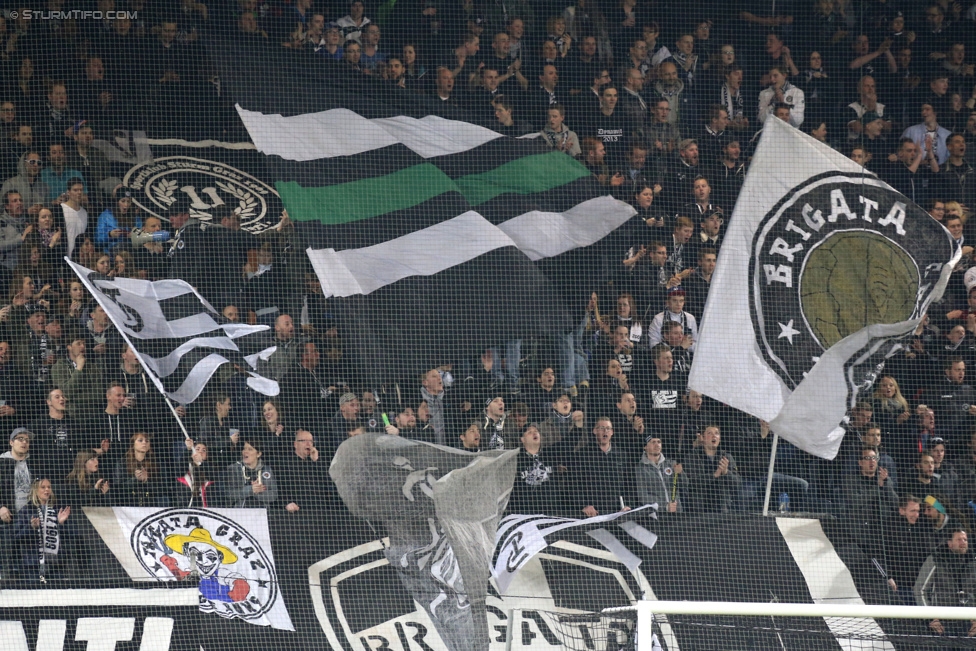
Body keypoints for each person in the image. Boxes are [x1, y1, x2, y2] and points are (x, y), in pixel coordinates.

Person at [914, 529, 976, 637]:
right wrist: (931, 617)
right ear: (950, 543)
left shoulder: (973, 562)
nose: (963, 542)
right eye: (959, 539)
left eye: (965, 539)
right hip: (942, 623)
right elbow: (919, 589)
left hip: (968, 623)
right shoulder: (936, 560)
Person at [13, 478, 71, 582]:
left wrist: (61, 523)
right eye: (43, 487)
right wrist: (31, 528)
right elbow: (16, 537)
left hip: (55, 565)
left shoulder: (57, 509)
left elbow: (68, 537)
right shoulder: (26, 510)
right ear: (35, 490)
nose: (47, 490)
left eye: (49, 487)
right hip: (33, 565)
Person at [576, 418, 632, 517]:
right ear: (594, 431)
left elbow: (628, 483)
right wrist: (585, 505)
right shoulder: (583, 455)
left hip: (617, 511)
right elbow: (575, 483)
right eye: (602, 428)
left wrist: (627, 504)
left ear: (612, 432)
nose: (605, 431)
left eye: (608, 428)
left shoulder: (621, 455)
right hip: (593, 512)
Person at [507, 425, 563, 516]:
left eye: (536, 431)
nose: (534, 433)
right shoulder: (515, 460)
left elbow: (569, 444)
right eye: (529, 432)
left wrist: (578, 426)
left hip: (551, 512)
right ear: (523, 439)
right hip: (525, 514)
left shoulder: (551, 454)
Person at [684, 425, 741, 513]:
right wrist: (714, 475)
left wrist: (726, 472)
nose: (714, 436)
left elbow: (737, 482)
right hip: (699, 509)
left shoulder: (726, 456)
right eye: (709, 433)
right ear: (702, 438)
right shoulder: (693, 456)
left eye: (717, 433)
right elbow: (692, 482)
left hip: (722, 509)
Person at [277, 429, 332, 513]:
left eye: (311, 441)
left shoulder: (317, 462)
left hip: (319, 512)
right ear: (295, 444)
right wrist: (286, 503)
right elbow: (280, 488)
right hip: (297, 512)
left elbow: (328, 485)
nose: (308, 444)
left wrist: (317, 462)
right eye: (304, 441)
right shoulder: (285, 464)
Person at [635, 435, 685, 513]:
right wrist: (665, 506)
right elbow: (643, 496)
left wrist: (681, 473)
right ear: (645, 447)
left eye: (659, 442)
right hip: (656, 515)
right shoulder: (640, 468)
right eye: (653, 442)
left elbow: (685, 486)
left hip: (677, 511)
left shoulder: (671, 464)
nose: (657, 445)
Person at [222, 439, 278, 508]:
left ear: (258, 454)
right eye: (244, 449)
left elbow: (274, 495)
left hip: (262, 513)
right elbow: (229, 494)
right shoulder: (234, 468)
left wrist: (256, 492)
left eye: (250, 449)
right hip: (239, 513)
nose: (245, 452)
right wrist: (250, 490)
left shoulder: (266, 470)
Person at [113, 432, 164, 508]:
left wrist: (146, 480)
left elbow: (162, 489)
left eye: (147, 441)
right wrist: (135, 479)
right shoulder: (122, 462)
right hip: (128, 505)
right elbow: (118, 488)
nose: (144, 443)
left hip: (150, 504)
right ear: (133, 444)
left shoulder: (156, 463)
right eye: (140, 440)